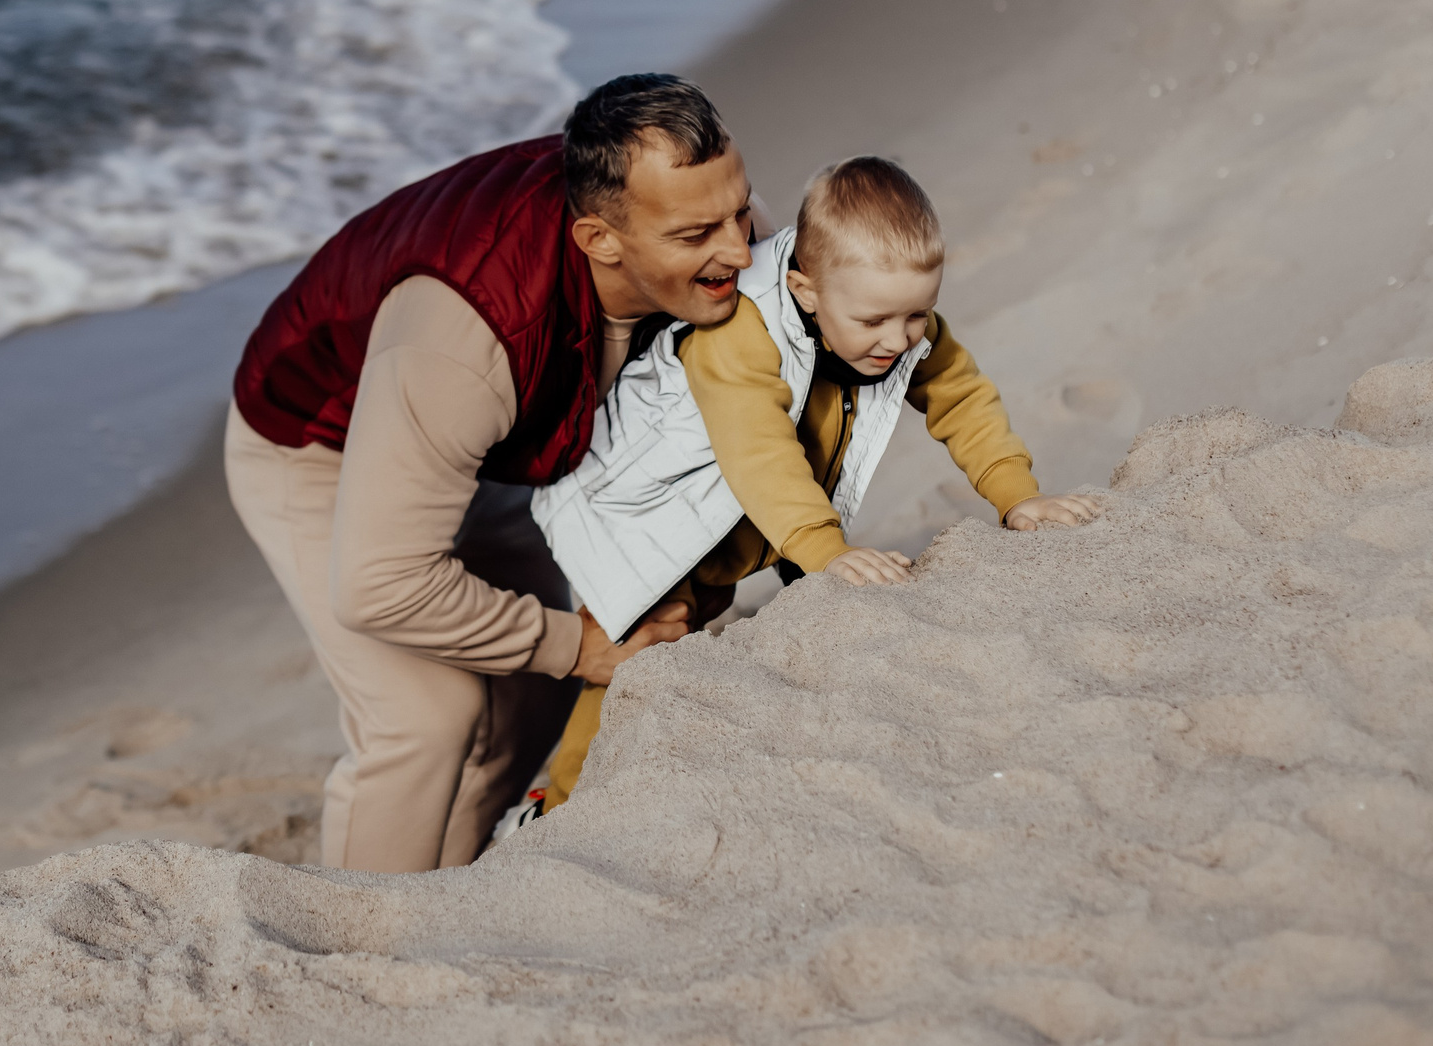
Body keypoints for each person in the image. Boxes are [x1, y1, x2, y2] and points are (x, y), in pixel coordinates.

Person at [226, 73, 764, 872]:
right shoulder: (463, 339)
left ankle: (450, 883)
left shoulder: (693, 221)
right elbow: (380, 583)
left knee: (530, 689)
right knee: (426, 716)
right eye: (697, 236)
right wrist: (583, 644)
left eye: (740, 212)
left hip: (499, 436)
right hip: (316, 442)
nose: (739, 252)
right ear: (599, 239)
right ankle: (357, 947)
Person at [524, 154, 1103, 815]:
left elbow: (960, 395)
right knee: (636, 657)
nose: (899, 339)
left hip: (743, 533)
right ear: (805, 290)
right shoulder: (737, 333)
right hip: (643, 520)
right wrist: (827, 552)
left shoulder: (886, 315)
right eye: (876, 321)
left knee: (686, 645)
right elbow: (759, 455)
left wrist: (1016, 493)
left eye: (918, 314)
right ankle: (556, 805)